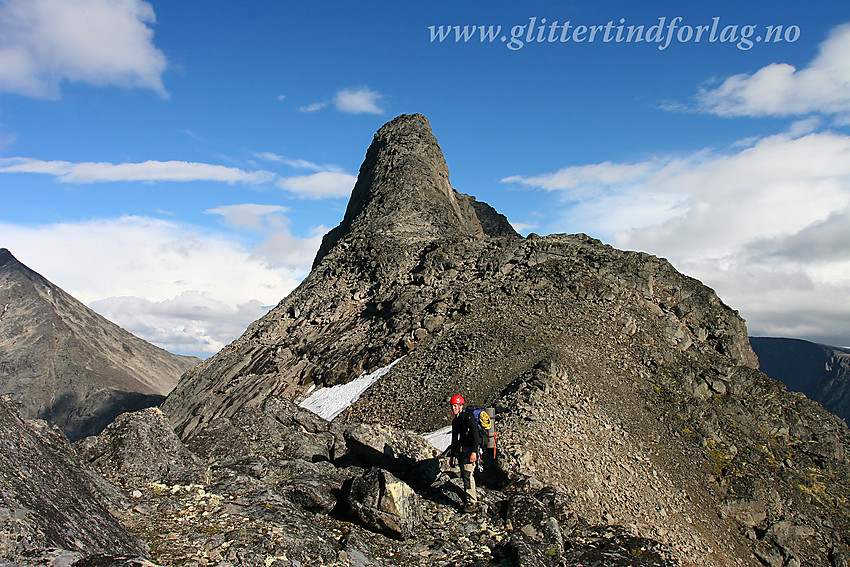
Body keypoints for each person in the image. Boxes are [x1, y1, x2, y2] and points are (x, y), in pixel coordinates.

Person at [448, 394, 480, 512]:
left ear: (461, 405)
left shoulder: (468, 417)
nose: (453, 408)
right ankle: (469, 499)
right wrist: (452, 456)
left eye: (455, 406)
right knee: (464, 474)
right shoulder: (456, 421)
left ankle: (472, 502)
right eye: (452, 406)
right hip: (462, 451)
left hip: (469, 450)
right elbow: (454, 439)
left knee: (467, 474)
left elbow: (476, 436)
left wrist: (474, 452)